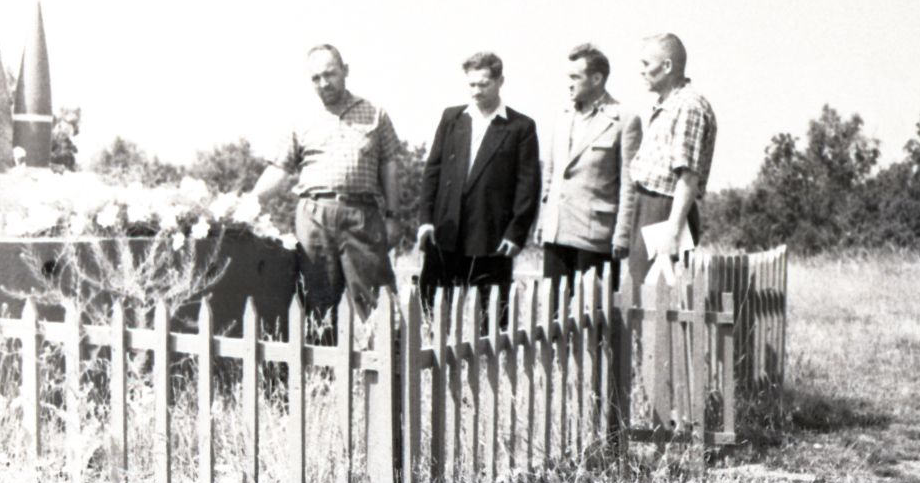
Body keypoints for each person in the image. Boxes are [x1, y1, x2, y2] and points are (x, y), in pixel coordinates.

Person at [253, 44, 401, 326]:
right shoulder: (301, 119)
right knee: (317, 301)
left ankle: (386, 354)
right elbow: (279, 169)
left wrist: (393, 216)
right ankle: (322, 356)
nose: (324, 83)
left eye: (330, 74)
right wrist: (248, 202)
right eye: (316, 78)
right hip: (314, 217)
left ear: (345, 70)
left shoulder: (375, 114)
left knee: (377, 300)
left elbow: (390, 167)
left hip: (362, 215)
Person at [417, 51, 540, 321]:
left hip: (491, 238)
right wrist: (426, 221)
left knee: (492, 318)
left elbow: (528, 186)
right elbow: (432, 172)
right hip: (446, 233)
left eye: (483, 84)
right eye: (471, 84)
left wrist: (516, 233)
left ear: (500, 81)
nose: (476, 91)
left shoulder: (520, 127)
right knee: (432, 313)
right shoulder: (452, 118)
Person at [537, 43, 642, 297]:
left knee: (594, 313)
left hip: (595, 237)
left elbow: (629, 185)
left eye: (575, 77)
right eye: (568, 77)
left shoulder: (624, 119)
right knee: (554, 312)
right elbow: (550, 175)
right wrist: (543, 221)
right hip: (557, 232)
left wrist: (622, 234)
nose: (569, 84)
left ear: (597, 79)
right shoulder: (561, 116)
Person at [627, 33, 717, 284]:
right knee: (638, 290)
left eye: (647, 64)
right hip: (647, 206)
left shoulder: (688, 106)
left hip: (665, 210)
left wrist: (672, 231)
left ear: (666, 66)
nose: (642, 71)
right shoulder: (667, 104)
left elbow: (688, 176)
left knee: (655, 293)